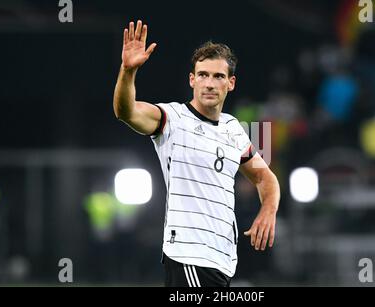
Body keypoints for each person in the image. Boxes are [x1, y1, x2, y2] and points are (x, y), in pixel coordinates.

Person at [113, 20, 280, 287]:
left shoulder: (233, 129)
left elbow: (265, 177)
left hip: (222, 258)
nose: (209, 83)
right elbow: (126, 111)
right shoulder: (172, 119)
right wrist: (128, 71)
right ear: (192, 80)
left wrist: (268, 209)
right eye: (202, 75)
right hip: (189, 255)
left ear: (231, 83)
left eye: (218, 76)